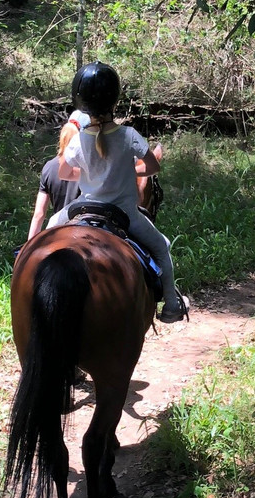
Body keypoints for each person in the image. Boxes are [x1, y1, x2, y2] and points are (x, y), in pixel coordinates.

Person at [58, 61, 189, 323]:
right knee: (161, 246)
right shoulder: (129, 135)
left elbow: (64, 173)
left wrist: (83, 172)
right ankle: (172, 305)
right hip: (124, 213)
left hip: (82, 209)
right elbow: (153, 167)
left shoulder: (77, 140)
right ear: (114, 100)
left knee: (47, 234)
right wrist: (131, 172)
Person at [27, 123, 80, 240]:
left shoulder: (49, 167)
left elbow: (39, 214)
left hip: (59, 225)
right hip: (86, 223)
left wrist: (29, 245)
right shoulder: (88, 168)